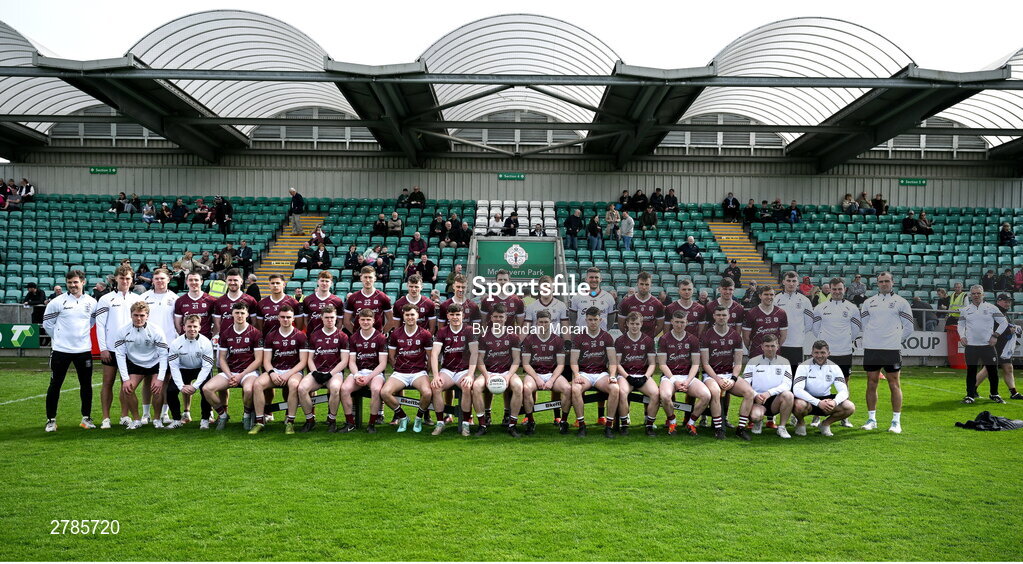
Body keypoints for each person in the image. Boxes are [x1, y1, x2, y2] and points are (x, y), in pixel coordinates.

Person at [42, 270, 98, 432]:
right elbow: (48, 324)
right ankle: (51, 420)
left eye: (75, 282)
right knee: (55, 385)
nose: (72, 285)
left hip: (83, 350)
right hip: (61, 351)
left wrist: (79, 337)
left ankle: (86, 418)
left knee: (86, 385)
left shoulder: (92, 302)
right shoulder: (57, 302)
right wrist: (60, 339)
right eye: (69, 282)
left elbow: (92, 322)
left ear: (83, 282)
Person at [860, 272, 913, 433]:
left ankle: (896, 422)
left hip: (892, 350)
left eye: (887, 281)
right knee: (871, 383)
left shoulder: (901, 302)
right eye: (881, 281)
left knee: (894, 384)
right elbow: (864, 325)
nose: (884, 284)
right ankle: (871, 419)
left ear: (893, 282)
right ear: (877, 283)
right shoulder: (869, 302)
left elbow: (909, 328)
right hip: (872, 349)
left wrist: (896, 340)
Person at [94, 265, 143, 429]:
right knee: (107, 383)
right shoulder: (105, 299)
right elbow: (100, 325)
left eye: (128, 278)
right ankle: (106, 418)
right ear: (115, 279)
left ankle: (124, 415)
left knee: (127, 384)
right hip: (111, 349)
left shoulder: (136, 299)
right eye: (122, 278)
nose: (125, 281)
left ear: (132, 280)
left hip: (130, 350)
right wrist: (103, 348)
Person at [204, 302, 264, 430]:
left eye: (242, 313)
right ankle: (223, 415)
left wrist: (240, 376)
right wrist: (230, 375)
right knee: (207, 389)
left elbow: (258, 360)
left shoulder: (255, 333)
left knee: (248, 390)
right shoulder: (225, 333)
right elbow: (221, 358)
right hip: (231, 372)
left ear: (247, 314)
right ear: (232, 314)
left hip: (249, 372)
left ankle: (247, 415)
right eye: (237, 313)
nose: (240, 315)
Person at [249, 305, 308, 435]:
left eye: (288, 317)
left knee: (293, 384)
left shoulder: (300, 336)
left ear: (293, 318)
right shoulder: (271, 336)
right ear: (278, 318)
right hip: (275, 370)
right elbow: (266, 361)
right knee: (258, 384)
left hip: (293, 371)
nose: (285, 319)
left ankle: (290, 422)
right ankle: (259, 421)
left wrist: (288, 374)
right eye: (282, 317)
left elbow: (303, 361)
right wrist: (272, 373)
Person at [810, 278, 861, 428]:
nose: (837, 292)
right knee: (820, 384)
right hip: (825, 354)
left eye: (840, 289)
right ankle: (816, 416)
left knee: (844, 384)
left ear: (844, 289)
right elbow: (815, 328)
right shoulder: (821, 307)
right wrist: (824, 343)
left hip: (844, 351)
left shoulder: (852, 308)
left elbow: (856, 329)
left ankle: (844, 417)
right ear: (830, 290)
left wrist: (845, 340)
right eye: (834, 289)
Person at [701, 305, 756, 440]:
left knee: (749, 392)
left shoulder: (736, 336)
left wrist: (733, 379)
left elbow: (738, 364)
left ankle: (741, 429)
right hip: (711, 375)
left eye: (724, 315)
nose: (721, 317)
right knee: (714, 392)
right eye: (718, 315)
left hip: (728, 374)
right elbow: (705, 364)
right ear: (714, 316)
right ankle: (719, 429)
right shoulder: (706, 335)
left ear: (729, 316)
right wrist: (718, 379)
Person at [115, 301, 170, 430]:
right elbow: (120, 355)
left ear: (147, 316)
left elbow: (163, 355)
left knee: (157, 389)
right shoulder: (122, 331)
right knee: (127, 389)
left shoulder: (156, 330)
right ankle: (136, 420)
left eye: (142, 315)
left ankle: (157, 419)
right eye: (135, 315)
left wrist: (160, 379)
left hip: (154, 362)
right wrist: (126, 379)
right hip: (135, 363)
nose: (138, 318)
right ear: (131, 315)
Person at [568, 307, 620, 438]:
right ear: (586, 320)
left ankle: (609, 426)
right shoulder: (579, 338)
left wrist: (612, 375)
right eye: (590, 320)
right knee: (575, 389)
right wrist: (577, 375)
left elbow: (613, 361)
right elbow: (573, 361)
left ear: (600, 320)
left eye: (595, 319)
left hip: (601, 374)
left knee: (615, 388)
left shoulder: (607, 337)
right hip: (584, 373)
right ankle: (581, 425)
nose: (593, 322)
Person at [381, 305, 434, 433]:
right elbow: (392, 357)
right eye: (407, 315)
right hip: (400, 372)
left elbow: (430, 357)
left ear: (417, 316)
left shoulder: (425, 334)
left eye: (412, 314)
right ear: (403, 317)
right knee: (384, 392)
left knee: (427, 393)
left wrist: (425, 371)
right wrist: (398, 368)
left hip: (418, 372)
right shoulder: (396, 333)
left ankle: (418, 418)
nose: (410, 317)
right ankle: (402, 417)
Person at [657, 310, 711, 436]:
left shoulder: (693, 339)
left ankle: (691, 423)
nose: (679, 325)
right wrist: (674, 381)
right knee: (665, 396)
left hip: (688, 376)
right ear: (671, 322)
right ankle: (672, 422)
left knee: (706, 396)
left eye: (682, 322)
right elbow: (662, 364)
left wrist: (687, 381)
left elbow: (696, 364)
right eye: (676, 322)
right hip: (670, 376)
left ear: (687, 322)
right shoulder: (664, 339)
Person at [297, 304, 349, 432]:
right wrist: (314, 372)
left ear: (336, 318)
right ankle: (310, 420)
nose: (330, 320)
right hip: (317, 371)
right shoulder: (315, 335)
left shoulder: (342, 336)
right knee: (302, 388)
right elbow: (310, 358)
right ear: (322, 318)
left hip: (334, 372)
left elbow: (344, 361)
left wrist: (330, 374)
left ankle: (331, 420)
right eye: (327, 317)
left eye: (332, 317)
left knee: (335, 389)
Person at [429, 304, 477, 436]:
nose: (455, 317)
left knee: (467, 387)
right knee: (436, 387)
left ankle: (466, 423)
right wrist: (435, 375)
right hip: (448, 370)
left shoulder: (469, 330)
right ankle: (440, 423)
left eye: (458, 314)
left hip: (464, 370)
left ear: (463, 315)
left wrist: (470, 375)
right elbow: (434, 354)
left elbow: (474, 353)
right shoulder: (442, 331)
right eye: (452, 314)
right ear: (448, 316)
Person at [792, 341, 856, 437]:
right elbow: (797, 390)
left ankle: (825, 424)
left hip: (826, 401)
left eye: (822, 353)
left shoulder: (834, 367)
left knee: (849, 406)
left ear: (828, 354)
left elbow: (844, 390)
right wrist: (818, 402)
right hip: (808, 401)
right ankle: (801, 423)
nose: (819, 356)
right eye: (816, 353)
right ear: (812, 353)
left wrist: (834, 402)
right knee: (799, 405)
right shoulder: (803, 366)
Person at [520, 308, 569, 434]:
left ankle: (563, 421)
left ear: (550, 323)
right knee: (526, 388)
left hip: (553, 374)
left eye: (546, 322)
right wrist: (537, 378)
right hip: (535, 374)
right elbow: (525, 364)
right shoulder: (529, 339)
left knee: (568, 389)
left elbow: (560, 364)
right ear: (536, 323)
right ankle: (530, 421)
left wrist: (551, 380)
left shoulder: (558, 340)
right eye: (541, 322)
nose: (543, 325)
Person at [958, 285, 1008, 404]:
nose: (976, 295)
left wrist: (995, 335)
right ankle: (970, 396)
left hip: (987, 346)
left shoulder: (991, 308)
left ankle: (994, 394)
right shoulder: (965, 310)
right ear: (970, 295)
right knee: (971, 371)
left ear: (983, 294)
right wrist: (962, 336)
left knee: (993, 371)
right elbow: (960, 324)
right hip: (971, 346)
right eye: (974, 293)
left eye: (978, 293)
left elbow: (1004, 322)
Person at [140, 268, 179, 425]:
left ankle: (164, 413)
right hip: (147, 345)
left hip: (168, 344)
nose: (159, 281)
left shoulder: (175, 299)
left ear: (168, 279)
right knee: (147, 380)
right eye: (156, 278)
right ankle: (145, 413)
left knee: (164, 380)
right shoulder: (143, 298)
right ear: (152, 280)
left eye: (162, 278)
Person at [166, 314, 216, 429]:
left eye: (194, 326)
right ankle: (176, 420)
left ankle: (205, 419)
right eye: (189, 326)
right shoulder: (176, 343)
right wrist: (180, 386)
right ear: (184, 327)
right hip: (183, 369)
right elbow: (174, 366)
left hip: (200, 369)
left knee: (206, 390)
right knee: (170, 390)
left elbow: (207, 367)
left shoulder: (206, 342)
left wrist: (195, 386)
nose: (192, 329)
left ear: (199, 327)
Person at [742, 335, 795, 438]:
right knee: (755, 417)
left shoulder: (784, 362)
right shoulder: (753, 361)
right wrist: (756, 395)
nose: (770, 349)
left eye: (772, 346)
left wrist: (769, 393)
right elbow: (745, 383)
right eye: (767, 346)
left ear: (778, 346)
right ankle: (758, 422)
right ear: (762, 347)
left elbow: (787, 384)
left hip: (776, 400)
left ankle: (782, 428)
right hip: (758, 399)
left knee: (789, 395)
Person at [615, 312, 659, 436]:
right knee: (622, 392)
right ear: (627, 324)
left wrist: (645, 377)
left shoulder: (648, 340)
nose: (634, 326)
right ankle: (624, 424)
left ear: (641, 324)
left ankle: (649, 425)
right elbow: (617, 364)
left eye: (637, 324)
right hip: (626, 374)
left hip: (642, 375)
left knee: (656, 393)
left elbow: (652, 364)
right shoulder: (620, 340)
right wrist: (627, 377)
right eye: (632, 324)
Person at [977, 295, 1023, 401]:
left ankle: (1014, 393)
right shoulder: (995, 311)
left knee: (1008, 368)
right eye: (1006, 302)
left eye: (1009, 302)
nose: (1008, 304)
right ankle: (972, 390)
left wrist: (1012, 328)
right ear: (999, 301)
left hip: (1003, 347)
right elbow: (993, 328)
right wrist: (1009, 330)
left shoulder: (1002, 312)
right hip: (994, 345)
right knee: (987, 369)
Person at [742, 285, 788, 359]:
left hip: (774, 354)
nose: (769, 297)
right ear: (760, 296)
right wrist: (753, 349)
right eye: (766, 294)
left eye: (771, 294)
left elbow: (783, 336)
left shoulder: (781, 313)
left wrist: (774, 347)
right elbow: (746, 337)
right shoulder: (751, 313)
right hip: (756, 354)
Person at [343, 266, 393, 334]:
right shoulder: (353, 297)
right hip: (358, 340)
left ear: (375, 278)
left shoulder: (382, 297)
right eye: (365, 277)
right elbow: (346, 321)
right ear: (361, 278)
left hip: (377, 340)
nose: (368, 280)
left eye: (370, 277)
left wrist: (382, 334)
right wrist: (356, 334)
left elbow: (391, 320)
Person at [212, 269, 259, 337]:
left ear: (241, 281)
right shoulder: (219, 301)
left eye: (235, 280)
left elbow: (254, 322)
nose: (232, 282)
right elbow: (217, 323)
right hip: (226, 339)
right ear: (226, 281)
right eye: (230, 280)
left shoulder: (250, 300)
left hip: (245, 339)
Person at [617, 271, 665, 337]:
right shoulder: (626, 302)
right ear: (637, 284)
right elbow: (621, 324)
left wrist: (649, 337)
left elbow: (660, 325)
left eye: (647, 284)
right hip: (630, 341)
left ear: (651, 285)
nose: (644, 287)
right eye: (641, 284)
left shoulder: (657, 304)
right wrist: (629, 336)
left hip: (649, 342)